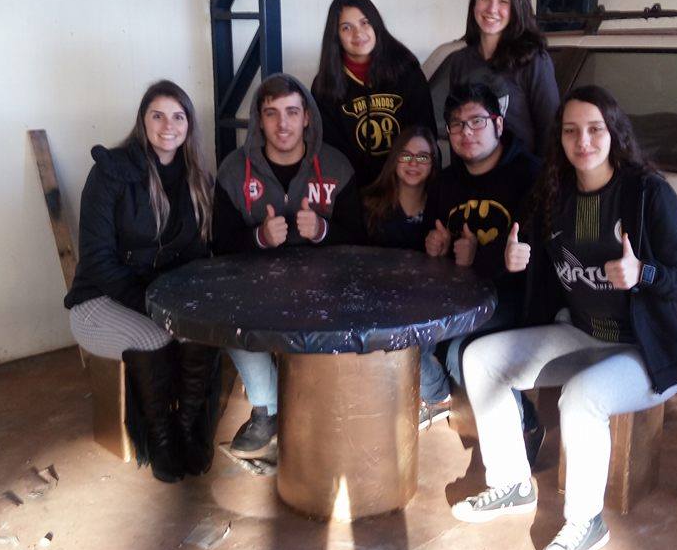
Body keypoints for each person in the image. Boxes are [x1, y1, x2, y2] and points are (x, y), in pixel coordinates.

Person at [450, 86, 677, 550]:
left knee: (583, 396)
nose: (582, 141)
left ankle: (586, 522)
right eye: (570, 131)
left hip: (644, 352)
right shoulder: (553, 192)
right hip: (581, 333)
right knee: (479, 358)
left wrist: (643, 273)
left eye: (594, 129)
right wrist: (510, 258)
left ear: (614, 132)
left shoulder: (647, 193)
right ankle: (511, 483)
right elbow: (520, 250)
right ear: (559, 138)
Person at [64, 80, 219, 483]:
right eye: (158, 115)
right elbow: (97, 261)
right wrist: (155, 308)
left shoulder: (197, 179)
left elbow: (197, 258)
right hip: (100, 300)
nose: (169, 126)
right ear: (143, 121)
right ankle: (160, 439)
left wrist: (186, 309)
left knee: (200, 335)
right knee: (154, 339)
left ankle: (187, 428)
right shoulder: (110, 174)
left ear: (189, 125)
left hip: (159, 299)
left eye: (178, 117)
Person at [213, 72, 364, 459]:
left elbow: (361, 239)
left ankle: (319, 408)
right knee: (224, 312)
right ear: (259, 120)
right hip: (254, 282)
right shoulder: (233, 170)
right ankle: (266, 407)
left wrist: (323, 230)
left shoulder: (336, 165)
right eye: (272, 113)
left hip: (325, 282)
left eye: (292, 112)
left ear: (307, 117)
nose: (283, 124)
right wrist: (259, 238)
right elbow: (220, 244)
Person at [424, 82, 542, 455]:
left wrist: (480, 258)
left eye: (477, 121)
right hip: (458, 298)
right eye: (456, 125)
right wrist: (435, 247)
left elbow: (537, 255)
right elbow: (435, 239)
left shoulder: (530, 176)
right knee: (410, 339)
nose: (467, 132)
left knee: (461, 352)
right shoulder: (445, 182)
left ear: (498, 124)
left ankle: (523, 426)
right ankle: (440, 399)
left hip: (515, 299)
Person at [360, 125, 451, 427]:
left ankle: (438, 397)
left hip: (426, 302)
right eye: (406, 155)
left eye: (423, 157)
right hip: (379, 300)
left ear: (433, 163)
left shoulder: (442, 206)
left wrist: (441, 250)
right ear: (394, 159)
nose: (413, 163)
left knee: (413, 344)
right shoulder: (370, 203)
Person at [429, 0, 559, 155]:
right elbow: (456, 124)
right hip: (470, 172)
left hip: (521, 172)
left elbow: (550, 133)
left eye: (504, 1)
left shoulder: (534, 61)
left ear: (517, 8)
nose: (492, 9)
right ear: (474, 3)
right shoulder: (460, 61)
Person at [312, 0, 436, 188]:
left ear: (376, 24)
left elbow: (425, 134)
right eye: (346, 27)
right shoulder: (324, 85)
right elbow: (331, 152)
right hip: (352, 188)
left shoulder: (407, 71)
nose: (358, 34)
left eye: (365, 22)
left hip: (406, 185)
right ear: (336, 36)